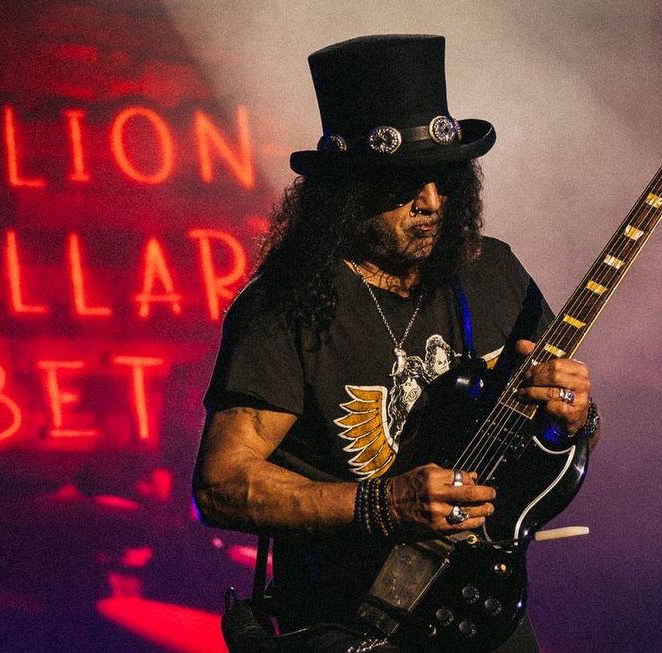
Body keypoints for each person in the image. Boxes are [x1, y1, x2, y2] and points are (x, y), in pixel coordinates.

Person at [193, 35, 599, 652]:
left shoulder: (492, 272)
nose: (431, 203)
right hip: (343, 617)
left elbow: (558, 445)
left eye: (444, 179)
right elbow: (221, 485)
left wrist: (575, 418)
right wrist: (381, 505)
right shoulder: (286, 305)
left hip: (477, 609)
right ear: (346, 192)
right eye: (403, 185)